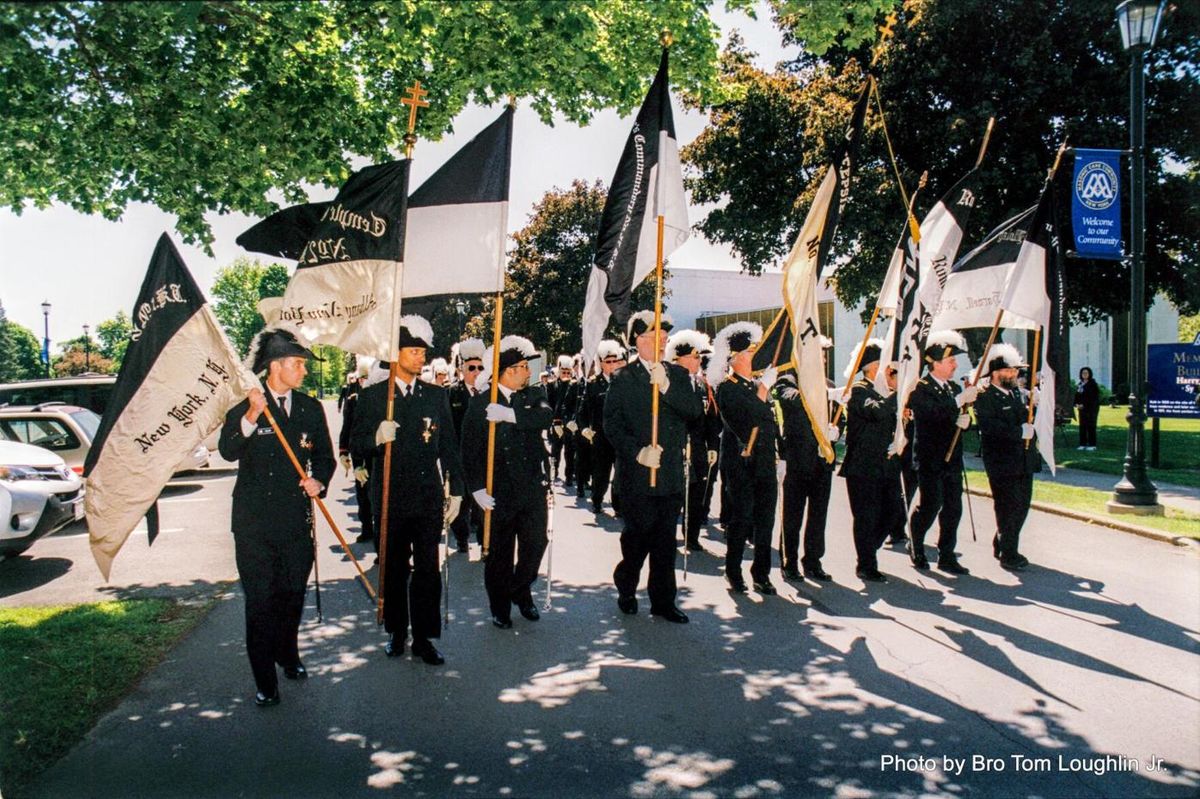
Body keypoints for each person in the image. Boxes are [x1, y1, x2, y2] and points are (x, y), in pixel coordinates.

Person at [218, 326, 335, 707]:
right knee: (260, 602)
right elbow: (228, 451)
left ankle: (288, 654)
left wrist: (319, 480)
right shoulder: (247, 406)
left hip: (294, 523)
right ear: (274, 367)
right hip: (254, 527)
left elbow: (325, 459)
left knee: (291, 597)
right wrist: (252, 415)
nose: (303, 371)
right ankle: (264, 680)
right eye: (298, 364)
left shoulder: (310, 408)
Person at [350, 315, 464, 666]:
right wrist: (374, 438)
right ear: (395, 354)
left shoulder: (435, 396)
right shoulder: (373, 398)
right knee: (394, 568)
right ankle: (398, 632)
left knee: (428, 569)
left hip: (427, 496)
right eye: (413, 351)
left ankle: (425, 638)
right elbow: (355, 444)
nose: (420, 358)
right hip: (389, 496)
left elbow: (449, 447)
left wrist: (457, 490)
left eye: (422, 352)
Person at [605, 311, 702, 622]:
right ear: (637, 340)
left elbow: (694, 412)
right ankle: (627, 588)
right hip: (637, 475)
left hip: (670, 473)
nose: (660, 343)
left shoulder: (677, 375)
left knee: (664, 544)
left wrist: (666, 389)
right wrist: (637, 453)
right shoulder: (622, 378)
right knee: (636, 539)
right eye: (653, 337)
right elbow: (612, 426)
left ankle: (663, 601)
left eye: (664, 338)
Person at [461, 336, 553, 629]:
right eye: (524, 367)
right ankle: (500, 606)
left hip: (530, 489)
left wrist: (511, 415)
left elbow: (546, 417)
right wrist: (476, 488)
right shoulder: (481, 404)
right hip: (497, 491)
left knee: (536, 544)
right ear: (509, 370)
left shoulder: (532, 395)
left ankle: (521, 590)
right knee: (499, 554)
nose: (529, 372)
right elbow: (468, 451)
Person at [710, 322, 781, 595]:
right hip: (741, 464)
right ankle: (733, 570)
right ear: (736, 357)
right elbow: (748, 418)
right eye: (751, 352)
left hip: (763, 463)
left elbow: (770, 423)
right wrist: (764, 389)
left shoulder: (754, 386)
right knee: (741, 519)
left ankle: (761, 574)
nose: (755, 357)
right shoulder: (727, 388)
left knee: (765, 521)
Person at [906, 330, 976, 575]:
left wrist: (965, 421)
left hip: (952, 458)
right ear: (935, 363)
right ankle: (916, 542)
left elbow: (953, 418)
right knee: (931, 505)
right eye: (951, 361)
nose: (955, 365)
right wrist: (958, 403)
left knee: (953, 508)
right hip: (930, 458)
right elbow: (930, 415)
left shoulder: (952, 388)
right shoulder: (921, 388)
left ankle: (946, 554)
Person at [838, 339, 904, 584]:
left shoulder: (886, 393)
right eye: (884, 365)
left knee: (892, 511)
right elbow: (877, 411)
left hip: (886, 465)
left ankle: (868, 549)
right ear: (871, 368)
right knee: (866, 515)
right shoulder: (858, 390)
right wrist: (899, 393)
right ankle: (866, 563)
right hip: (862, 467)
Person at [974, 343, 1041, 571]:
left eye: (1015, 371)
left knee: (1022, 505)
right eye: (1009, 370)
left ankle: (1002, 540)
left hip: (1023, 459)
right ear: (995, 373)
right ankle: (1009, 553)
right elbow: (990, 427)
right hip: (1001, 460)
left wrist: (1036, 406)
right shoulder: (985, 396)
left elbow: (1027, 418)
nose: (1013, 374)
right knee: (1007, 506)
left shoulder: (1017, 394)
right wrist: (1018, 431)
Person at [774, 369, 839, 582]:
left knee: (818, 517)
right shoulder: (787, 381)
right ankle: (788, 560)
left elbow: (839, 413)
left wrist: (835, 431)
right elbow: (792, 401)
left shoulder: (828, 383)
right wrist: (824, 393)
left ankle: (813, 561)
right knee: (793, 516)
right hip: (797, 461)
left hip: (822, 461)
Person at [665, 329, 721, 553]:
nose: (699, 361)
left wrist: (713, 446)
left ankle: (692, 536)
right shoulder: (668, 383)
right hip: (675, 448)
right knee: (674, 496)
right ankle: (667, 536)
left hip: (697, 448)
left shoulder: (701, 384)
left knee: (697, 495)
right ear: (680, 358)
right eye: (696, 357)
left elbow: (711, 419)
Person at [448, 338, 486, 552]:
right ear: (462, 369)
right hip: (460, 458)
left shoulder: (489, 393)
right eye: (471, 367)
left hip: (482, 458)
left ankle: (483, 541)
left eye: (480, 367)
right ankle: (462, 538)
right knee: (461, 505)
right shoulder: (453, 392)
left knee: (483, 504)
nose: (476, 371)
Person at [578, 339, 624, 517]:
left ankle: (618, 506)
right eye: (608, 362)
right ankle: (597, 500)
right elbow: (582, 412)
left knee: (620, 474)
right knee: (601, 474)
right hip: (601, 436)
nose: (612, 365)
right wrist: (584, 429)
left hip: (620, 436)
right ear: (601, 363)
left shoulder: (624, 383)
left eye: (615, 361)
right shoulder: (593, 384)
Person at [338, 360, 375, 546]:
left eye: (368, 377)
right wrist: (343, 451)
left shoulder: (380, 398)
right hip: (358, 451)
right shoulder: (353, 400)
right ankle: (366, 528)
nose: (365, 381)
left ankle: (379, 532)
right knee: (362, 492)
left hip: (377, 451)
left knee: (375, 493)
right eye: (362, 378)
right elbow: (347, 426)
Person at [546, 355, 574, 482]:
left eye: (568, 372)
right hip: (556, 422)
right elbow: (549, 405)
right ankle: (554, 470)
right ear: (559, 370)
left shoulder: (574, 385)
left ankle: (569, 476)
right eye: (564, 372)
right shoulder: (552, 385)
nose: (566, 374)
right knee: (555, 450)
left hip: (569, 423)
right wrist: (554, 422)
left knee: (570, 451)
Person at [1074, 366, 1101, 451]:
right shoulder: (1080, 384)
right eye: (1083, 373)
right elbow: (1077, 396)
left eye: (1086, 373)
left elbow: (1093, 398)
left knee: (1091, 425)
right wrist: (1076, 404)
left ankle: (1092, 444)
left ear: (1089, 374)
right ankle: (1082, 444)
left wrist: (1084, 405)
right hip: (1081, 409)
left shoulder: (1093, 384)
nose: (1084, 375)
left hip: (1091, 409)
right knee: (1082, 426)